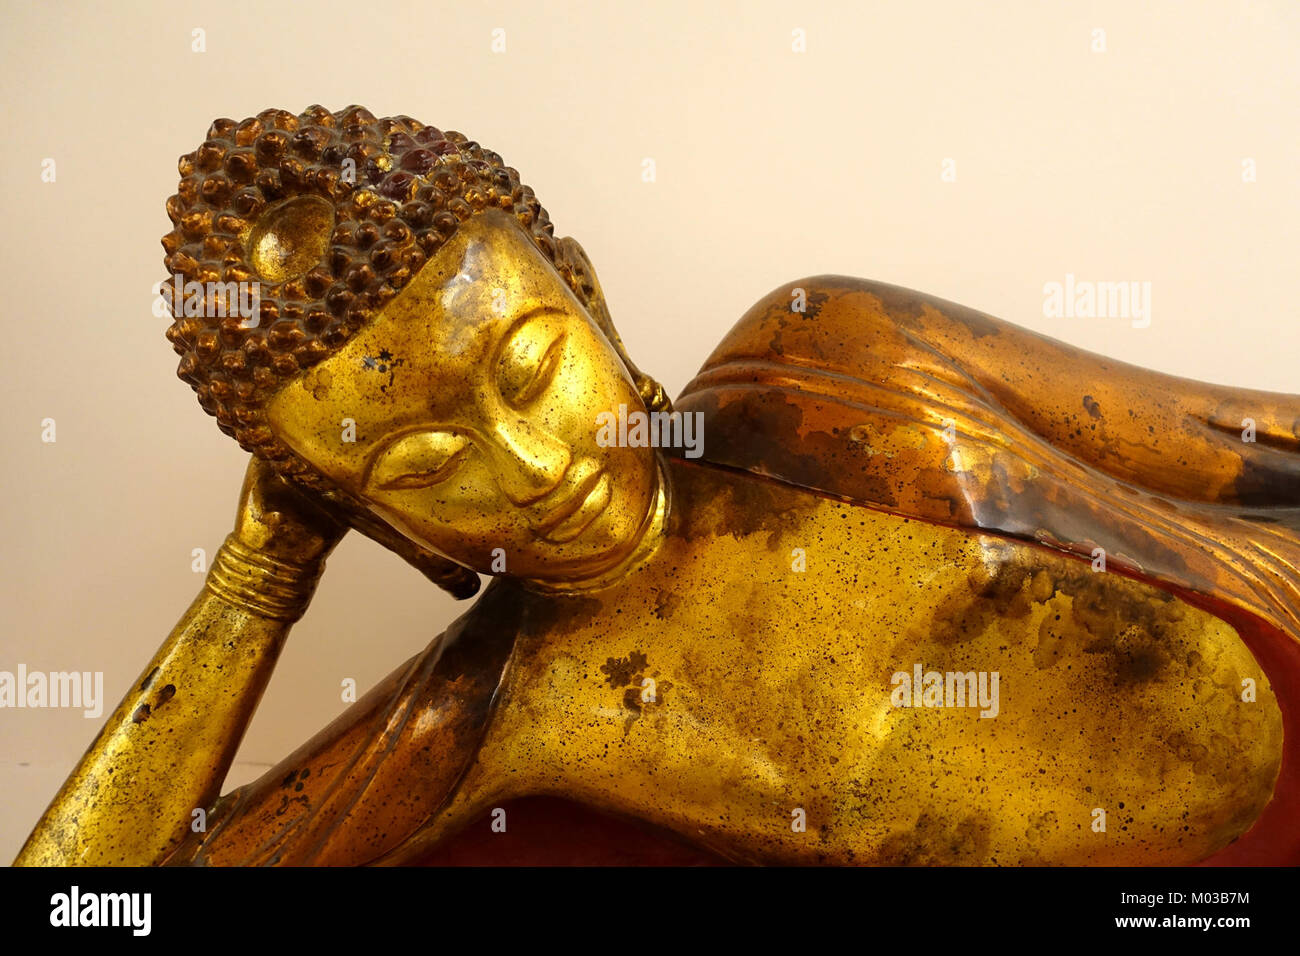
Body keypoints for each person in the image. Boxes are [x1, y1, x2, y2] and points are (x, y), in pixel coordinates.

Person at [16, 107, 1298, 866]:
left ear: (588, 292)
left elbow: (1231, 437)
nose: (532, 470)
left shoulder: (829, 366)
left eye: (531, 369)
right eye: (419, 467)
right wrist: (256, 579)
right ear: (381, 524)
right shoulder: (490, 710)